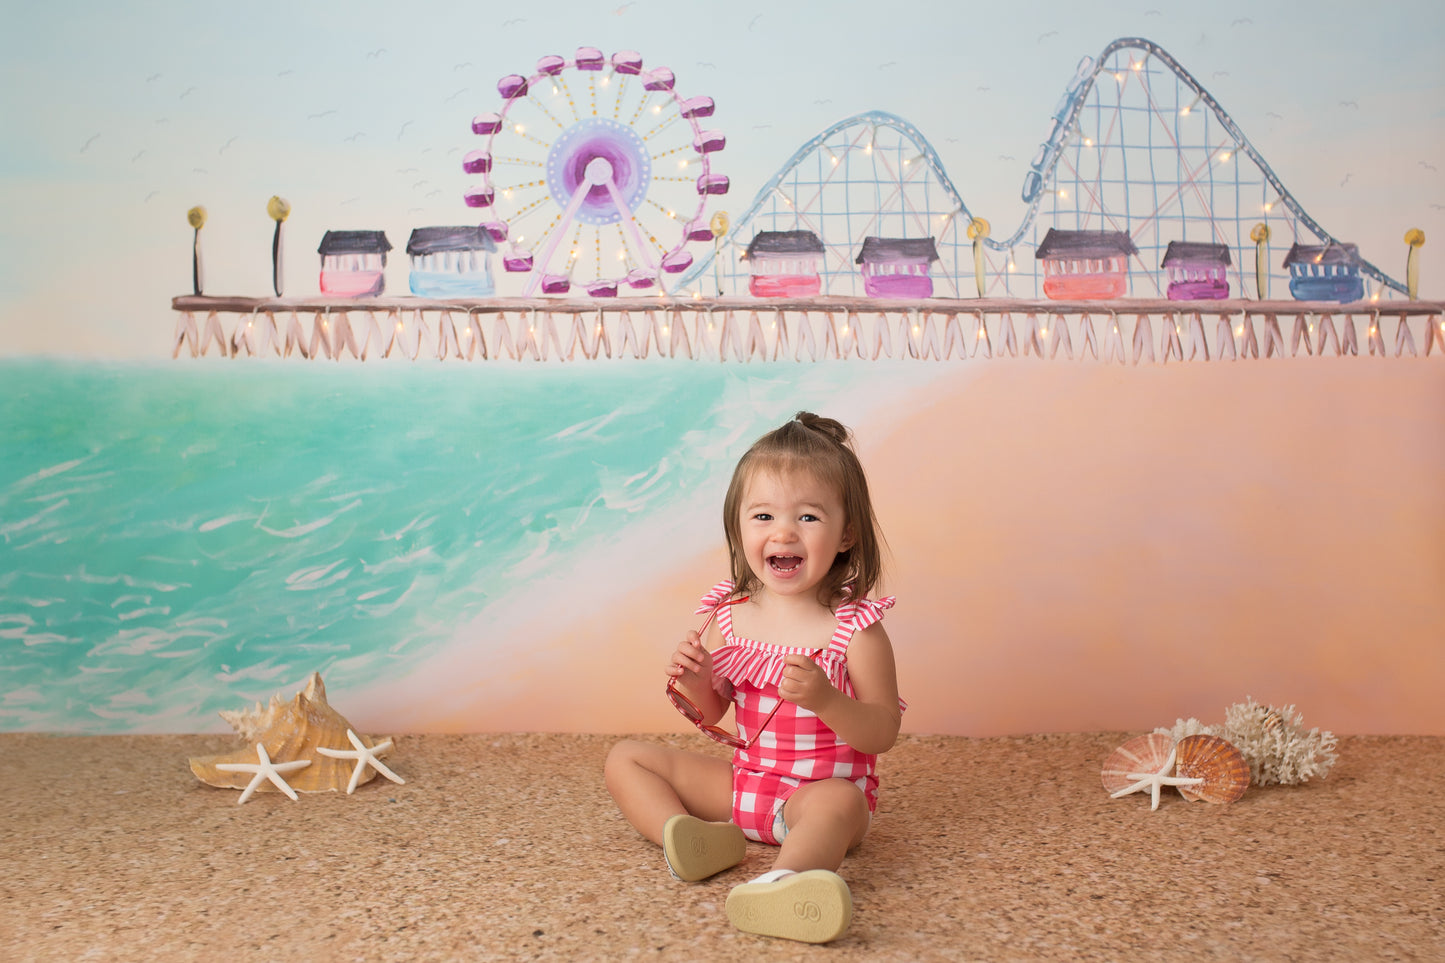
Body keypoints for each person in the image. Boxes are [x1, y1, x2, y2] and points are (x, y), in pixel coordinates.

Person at [604, 411, 903, 944]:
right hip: (746, 786)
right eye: (762, 516)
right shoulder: (733, 613)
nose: (783, 531)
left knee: (841, 804)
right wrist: (697, 681)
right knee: (626, 758)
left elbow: (882, 731)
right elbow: (718, 710)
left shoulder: (855, 630)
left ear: (846, 533)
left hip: (814, 798)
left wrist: (826, 699)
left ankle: (783, 881)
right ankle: (689, 836)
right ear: (739, 528)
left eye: (808, 517)